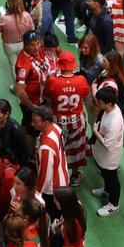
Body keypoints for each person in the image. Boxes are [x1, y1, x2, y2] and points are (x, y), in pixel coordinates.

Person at [44, 51, 91, 185]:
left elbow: (47, 98)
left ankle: (56, 176)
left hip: (57, 123)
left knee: (57, 150)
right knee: (76, 150)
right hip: (77, 122)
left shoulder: (52, 81)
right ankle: (75, 176)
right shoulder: (81, 80)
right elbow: (85, 96)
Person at [91, 86, 124, 217]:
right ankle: (106, 190)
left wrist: (95, 131)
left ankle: (113, 204)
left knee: (112, 178)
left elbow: (107, 144)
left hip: (110, 155)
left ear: (109, 103)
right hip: (103, 154)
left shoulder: (115, 122)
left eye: (100, 102)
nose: (97, 104)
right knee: (105, 174)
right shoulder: (109, 110)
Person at [33, 106, 70, 218]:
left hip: (52, 189)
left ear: (46, 123)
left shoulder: (46, 148)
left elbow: (45, 174)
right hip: (63, 176)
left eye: (35, 122)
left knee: (52, 217)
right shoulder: (55, 127)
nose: (32, 124)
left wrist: (38, 192)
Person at [15, 31, 49, 135]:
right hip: (33, 104)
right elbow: (20, 91)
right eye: (32, 45)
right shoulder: (23, 65)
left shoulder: (37, 53)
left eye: (38, 43)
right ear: (25, 45)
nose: (36, 48)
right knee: (31, 130)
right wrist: (32, 107)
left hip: (42, 99)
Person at [0, 0, 35, 80]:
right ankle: (26, 82)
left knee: (13, 65)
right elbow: (32, 29)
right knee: (25, 63)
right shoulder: (27, 15)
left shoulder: (4, 19)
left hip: (9, 45)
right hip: (23, 43)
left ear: (9, 4)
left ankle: (17, 85)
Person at [0, 99, 31, 167]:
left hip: (11, 162)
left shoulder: (17, 131)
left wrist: (18, 165)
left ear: (6, 114)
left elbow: (24, 152)